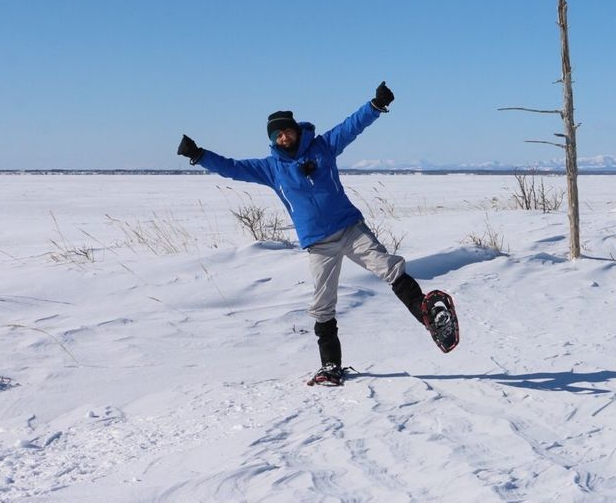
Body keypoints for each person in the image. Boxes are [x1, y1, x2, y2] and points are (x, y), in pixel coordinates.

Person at [176, 82, 444, 386]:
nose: (283, 137)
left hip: (350, 229)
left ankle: (429, 316)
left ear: (295, 130)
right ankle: (331, 366)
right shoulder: (271, 168)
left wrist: (375, 105)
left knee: (389, 267)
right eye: (277, 135)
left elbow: (350, 127)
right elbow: (232, 167)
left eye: (286, 131)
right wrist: (199, 155)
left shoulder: (323, 147)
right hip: (318, 244)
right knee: (322, 304)